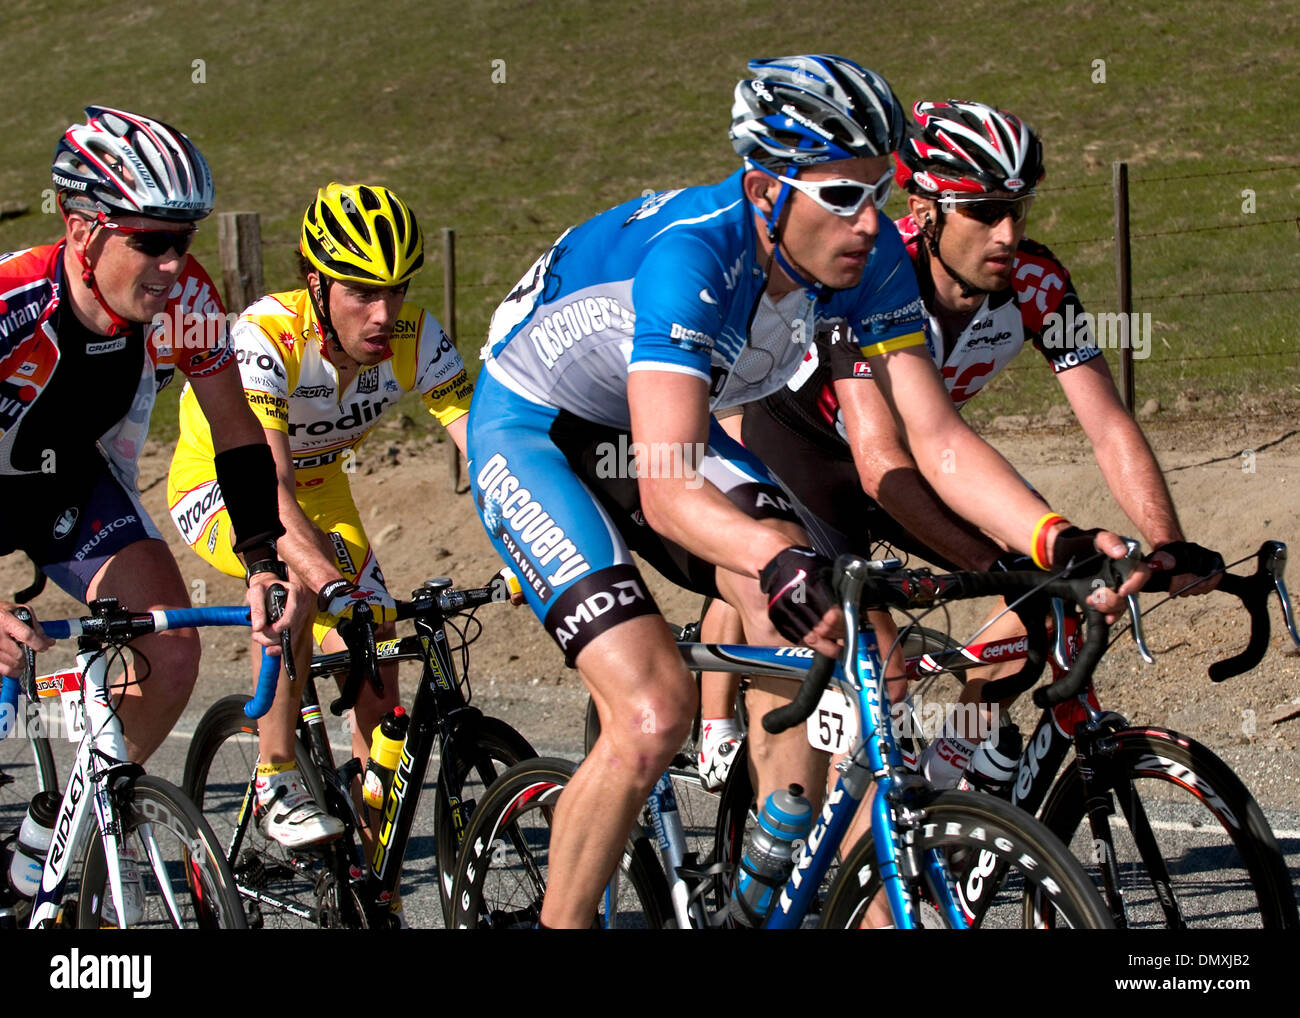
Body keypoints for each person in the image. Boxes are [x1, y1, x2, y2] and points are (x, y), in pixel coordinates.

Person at [468, 56, 1143, 927]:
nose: (869, 223)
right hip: (538, 430)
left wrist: (1058, 542)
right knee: (652, 708)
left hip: (665, 421)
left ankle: (771, 859)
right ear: (764, 190)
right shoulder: (693, 257)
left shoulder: (870, 264)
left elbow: (933, 441)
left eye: (876, 191)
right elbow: (669, 489)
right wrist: (774, 557)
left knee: (824, 614)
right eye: (841, 197)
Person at [697, 99, 1222, 790]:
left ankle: (951, 780)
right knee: (878, 666)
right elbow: (878, 463)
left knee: (1033, 626)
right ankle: (718, 728)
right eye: (983, 211)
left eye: (1019, 208)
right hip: (812, 455)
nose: (1008, 233)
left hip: (925, 460)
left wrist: (1167, 542)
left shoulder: (1037, 284)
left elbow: (1108, 425)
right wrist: (998, 562)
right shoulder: (870, 278)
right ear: (924, 210)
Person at [168, 182, 473, 848]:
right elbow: (269, 483)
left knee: (380, 644)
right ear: (316, 284)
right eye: (361, 293)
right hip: (226, 486)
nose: (382, 314)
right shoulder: (265, 337)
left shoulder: (416, 337)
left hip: (322, 487)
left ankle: (370, 860)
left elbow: (486, 451)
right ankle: (275, 775)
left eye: (395, 290)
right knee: (295, 585)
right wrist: (323, 576)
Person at [0, 106, 295, 757]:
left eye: (182, 240)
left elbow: (235, 429)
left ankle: (81, 826)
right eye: (149, 242)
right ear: (81, 231)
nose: (171, 264)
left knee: (170, 651)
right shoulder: (11, 306)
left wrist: (264, 562)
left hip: (68, 487)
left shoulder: (186, 298)